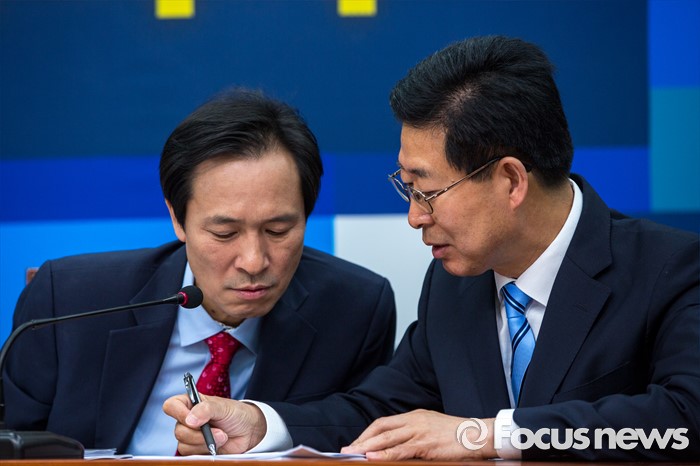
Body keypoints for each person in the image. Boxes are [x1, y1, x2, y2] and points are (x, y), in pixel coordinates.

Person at [163, 36, 700, 461]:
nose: (415, 217)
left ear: (511, 181)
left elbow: (683, 421)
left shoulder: (671, 270)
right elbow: (379, 411)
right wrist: (262, 425)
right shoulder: (453, 284)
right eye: (407, 189)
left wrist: (484, 435)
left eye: (427, 191)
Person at [3, 89, 397, 455]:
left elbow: (359, 432)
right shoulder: (68, 301)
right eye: (225, 233)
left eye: (278, 231)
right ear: (178, 218)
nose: (253, 261)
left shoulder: (354, 310)